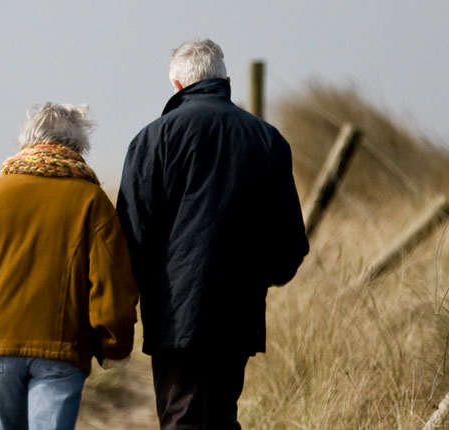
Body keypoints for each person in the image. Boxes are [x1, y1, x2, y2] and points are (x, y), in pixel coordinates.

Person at [117, 39, 310, 430]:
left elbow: (130, 236)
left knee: (181, 418)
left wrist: (139, 295)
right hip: (238, 311)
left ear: (176, 85)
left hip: (174, 313)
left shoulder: (153, 140)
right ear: (226, 80)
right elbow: (290, 242)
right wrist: (262, 278)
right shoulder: (267, 139)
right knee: (222, 415)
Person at [0, 103, 139, 430]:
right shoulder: (91, 200)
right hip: (61, 348)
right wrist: (114, 344)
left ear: (26, 141)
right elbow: (111, 282)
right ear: (78, 146)